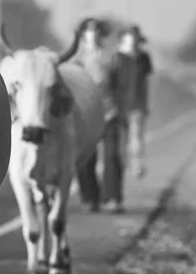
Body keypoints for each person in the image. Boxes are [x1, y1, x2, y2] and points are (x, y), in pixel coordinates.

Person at [66, 17, 123, 213]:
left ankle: (113, 198)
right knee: (85, 158)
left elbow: (118, 85)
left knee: (112, 157)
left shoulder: (110, 57)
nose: (93, 33)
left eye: (96, 29)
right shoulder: (75, 59)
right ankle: (90, 198)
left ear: (102, 33)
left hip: (109, 113)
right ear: (82, 34)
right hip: (86, 114)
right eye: (88, 30)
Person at [115, 25, 154, 180]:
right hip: (120, 104)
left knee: (136, 138)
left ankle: (137, 166)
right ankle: (124, 166)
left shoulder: (143, 58)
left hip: (137, 104)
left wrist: (145, 103)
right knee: (123, 139)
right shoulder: (118, 58)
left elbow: (145, 82)